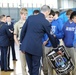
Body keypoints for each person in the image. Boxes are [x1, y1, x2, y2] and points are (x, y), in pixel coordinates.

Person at [20, 5, 58, 75]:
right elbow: (51, 36)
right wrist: (55, 48)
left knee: (30, 68)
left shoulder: (30, 18)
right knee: (36, 68)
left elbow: (23, 31)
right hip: (36, 48)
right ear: (47, 12)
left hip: (26, 47)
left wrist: (21, 44)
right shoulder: (45, 22)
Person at [14, 8, 28, 75]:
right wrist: (18, 45)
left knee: (30, 63)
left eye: (25, 14)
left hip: (29, 45)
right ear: (20, 14)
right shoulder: (17, 24)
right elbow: (15, 36)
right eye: (23, 14)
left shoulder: (29, 23)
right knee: (23, 64)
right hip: (22, 45)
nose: (24, 16)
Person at [62, 11, 76, 75]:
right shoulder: (65, 24)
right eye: (68, 15)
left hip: (73, 47)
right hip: (66, 46)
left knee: (74, 62)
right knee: (67, 62)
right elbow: (63, 34)